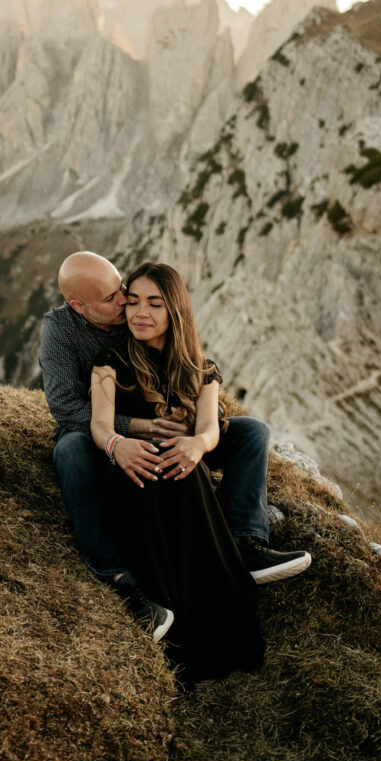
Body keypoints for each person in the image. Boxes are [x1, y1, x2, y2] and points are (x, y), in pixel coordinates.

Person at [39, 251, 310, 642]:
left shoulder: (140, 312)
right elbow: (66, 406)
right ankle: (115, 574)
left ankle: (247, 543)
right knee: (70, 451)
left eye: (125, 292)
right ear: (79, 307)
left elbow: (188, 365)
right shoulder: (64, 331)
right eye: (117, 300)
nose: (127, 305)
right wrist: (130, 432)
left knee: (251, 433)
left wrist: (196, 422)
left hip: (170, 422)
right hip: (102, 429)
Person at [90, 261, 266, 680]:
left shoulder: (201, 368)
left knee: (193, 473)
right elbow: (99, 423)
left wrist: (195, 445)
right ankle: (173, 631)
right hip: (130, 470)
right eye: (132, 302)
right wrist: (119, 445)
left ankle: (220, 621)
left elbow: (209, 429)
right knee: (171, 474)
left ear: (175, 311)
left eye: (154, 303)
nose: (140, 313)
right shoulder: (110, 358)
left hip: (181, 467)